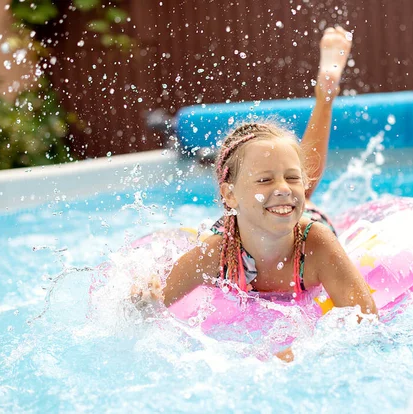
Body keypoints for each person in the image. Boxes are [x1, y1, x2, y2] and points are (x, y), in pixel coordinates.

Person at [131, 27, 377, 361]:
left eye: (289, 178)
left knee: (302, 186)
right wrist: (143, 295)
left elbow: (365, 322)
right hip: (241, 226)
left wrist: (301, 352)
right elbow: (152, 304)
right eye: (262, 179)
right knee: (289, 188)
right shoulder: (217, 251)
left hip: (304, 225)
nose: (281, 187)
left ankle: (326, 94)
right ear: (229, 195)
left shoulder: (316, 245)